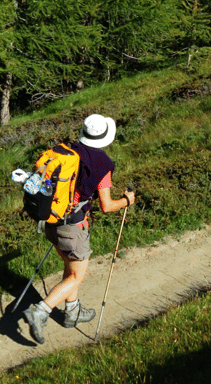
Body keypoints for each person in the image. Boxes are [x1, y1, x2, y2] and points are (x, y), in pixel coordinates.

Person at [21, 114, 134, 344]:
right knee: (76, 276)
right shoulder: (102, 164)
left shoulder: (69, 150)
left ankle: (72, 312)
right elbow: (107, 206)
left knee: (69, 267)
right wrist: (127, 201)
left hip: (52, 222)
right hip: (72, 227)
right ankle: (40, 311)